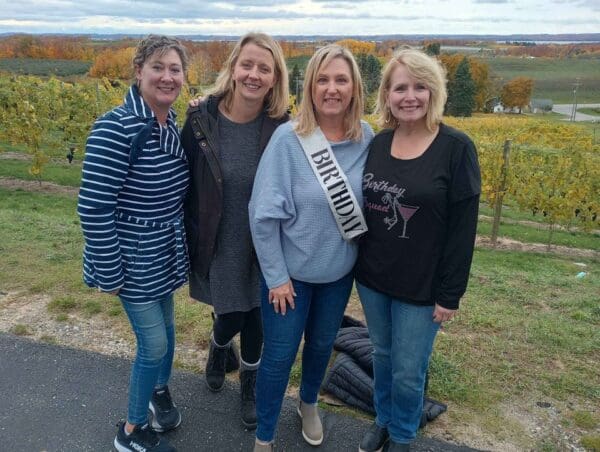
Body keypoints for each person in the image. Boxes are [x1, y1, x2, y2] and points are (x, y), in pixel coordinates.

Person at [354, 48, 481, 452]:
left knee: (409, 370)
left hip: (423, 287)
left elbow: (463, 231)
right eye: (400, 87)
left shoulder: (456, 148)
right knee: (382, 357)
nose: (410, 96)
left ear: (434, 92)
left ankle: (404, 436)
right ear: (387, 94)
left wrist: (450, 295)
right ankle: (383, 420)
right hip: (374, 278)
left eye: (420, 87)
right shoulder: (378, 142)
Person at [249, 44, 374, 451]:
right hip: (290, 281)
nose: (332, 88)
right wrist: (277, 277)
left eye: (341, 79)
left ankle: (308, 404)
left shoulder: (366, 138)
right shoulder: (289, 140)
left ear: (354, 87)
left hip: (338, 276)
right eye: (323, 79)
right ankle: (264, 435)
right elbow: (263, 215)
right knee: (280, 357)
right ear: (310, 88)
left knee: (321, 347)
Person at [77, 35, 189, 452]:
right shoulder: (115, 126)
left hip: (163, 251)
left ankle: (158, 396)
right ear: (138, 71)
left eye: (175, 69)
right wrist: (109, 270)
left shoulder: (169, 122)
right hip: (132, 254)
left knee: (169, 330)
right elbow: (92, 207)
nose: (167, 76)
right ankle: (131, 432)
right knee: (154, 342)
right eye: (157, 67)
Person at [181, 32, 289, 429]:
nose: (254, 74)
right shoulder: (200, 119)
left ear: (275, 77)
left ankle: (250, 381)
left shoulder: (282, 127)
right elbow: (185, 183)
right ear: (233, 68)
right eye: (247, 65)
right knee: (230, 317)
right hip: (220, 241)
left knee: (257, 318)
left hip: (266, 245)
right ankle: (218, 345)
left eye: (265, 68)